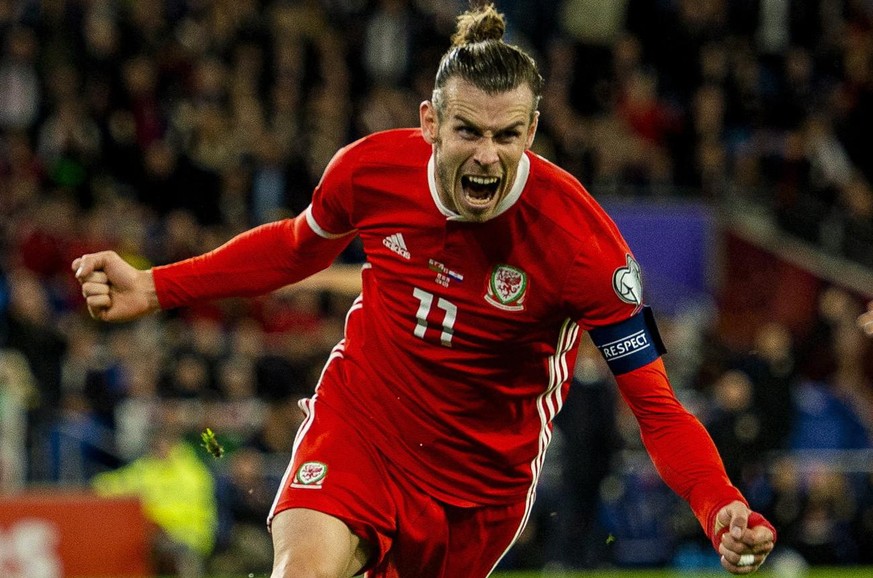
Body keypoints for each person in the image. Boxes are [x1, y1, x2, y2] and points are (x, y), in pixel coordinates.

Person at [72, 5, 776, 577]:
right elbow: (292, 250)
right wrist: (156, 287)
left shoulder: (584, 247)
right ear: (429, 121)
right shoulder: (369, 172)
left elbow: (655, 408)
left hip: (478, 491)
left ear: (532, 131)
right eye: (467, 130)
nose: (486, 155)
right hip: (363, 427)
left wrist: (718, 504)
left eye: (507, 136)